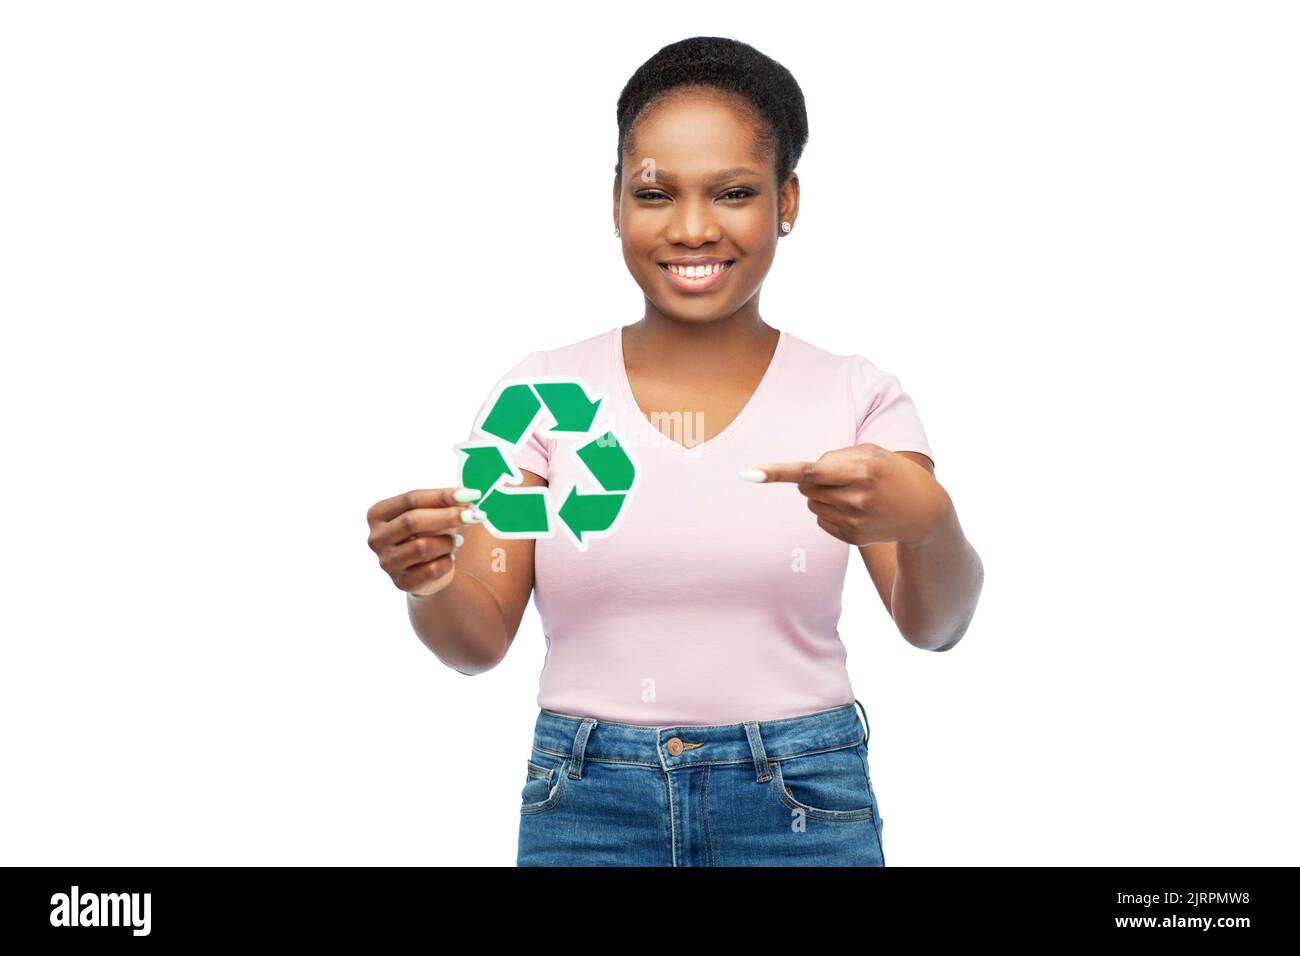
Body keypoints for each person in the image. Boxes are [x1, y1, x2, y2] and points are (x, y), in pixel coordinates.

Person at [365, 36, 984, 866]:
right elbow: (475, 642)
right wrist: (432, 582)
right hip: (588, 801)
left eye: (732, 193)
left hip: (801, 802)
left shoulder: (856, 398)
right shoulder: (536, 400)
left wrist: (929, 523)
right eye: (656, 193)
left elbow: (935, 626)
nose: (693, 229)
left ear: (786, 200)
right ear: (617, 203)